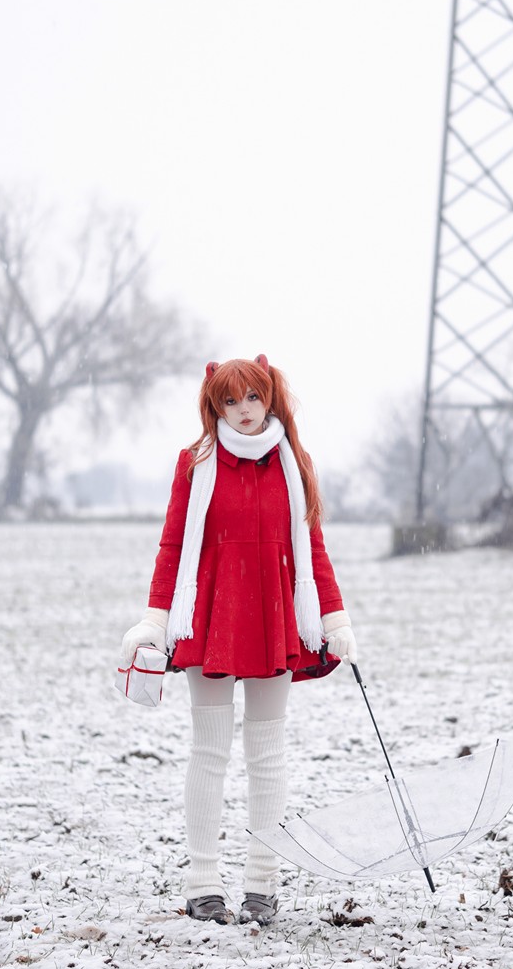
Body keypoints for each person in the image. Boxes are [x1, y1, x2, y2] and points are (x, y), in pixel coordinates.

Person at [121, 355, 357, 928]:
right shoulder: (195, 463)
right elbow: (172, 545)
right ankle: (203, 884)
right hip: (211, 617)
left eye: (253, 397)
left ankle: (262, 885)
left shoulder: (294, 462)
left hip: (276, 617)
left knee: (267, 753)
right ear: (215, 406)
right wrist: (155, 619)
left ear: (269, 396)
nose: (244, 410)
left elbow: (312, 546)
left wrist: (333, 617)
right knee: (209, 751)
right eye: (230, 401)